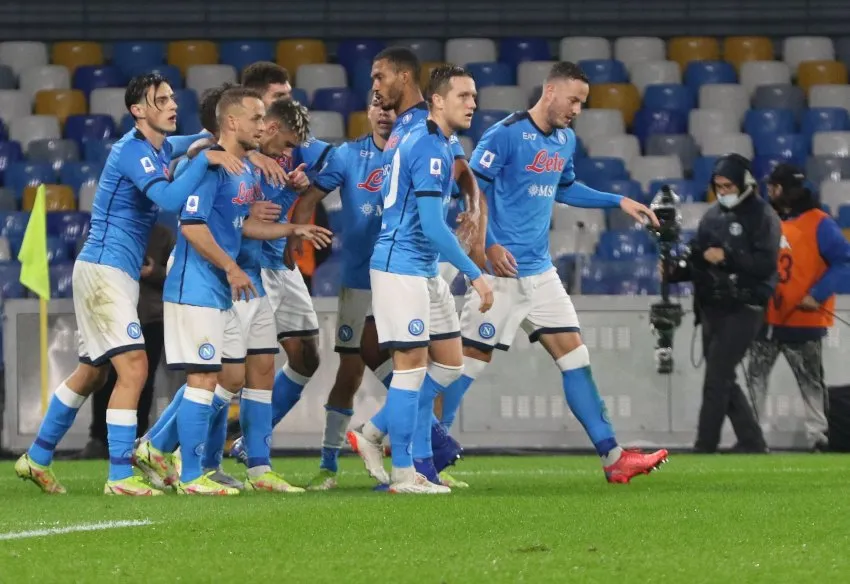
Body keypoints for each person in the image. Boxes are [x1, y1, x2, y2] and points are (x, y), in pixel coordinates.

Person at [14, 73, 242, 495]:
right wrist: (202, 161)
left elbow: (197, 139)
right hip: (104, 270)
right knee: (134, 366)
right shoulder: (132, 151)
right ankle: (120, 476)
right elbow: (171, 200)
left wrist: (227, 130)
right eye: (161, 100)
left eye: (173, 98)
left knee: (93, 374)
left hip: (111, 273)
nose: (172, 105)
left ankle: (37, 457)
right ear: (138, 111)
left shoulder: (158, 147)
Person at [445, 61, 669, 485]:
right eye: (574, 100)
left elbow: (565, 187)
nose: (578, 110)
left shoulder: (565, 140)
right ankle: (411, 445)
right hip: (502, 274)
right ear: (550, 91)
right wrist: (487, 245)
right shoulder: (506, 134)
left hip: (540, 272)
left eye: (583, 103)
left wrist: (618, 201)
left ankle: (613, 457)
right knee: (465, 363)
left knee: (575, 356)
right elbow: (471, 192)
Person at [136, 85, 317, 493]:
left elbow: (241, 223)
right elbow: (193, 225)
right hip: (202, 284)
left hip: (228, 286)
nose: (263, 125)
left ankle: (239, 466)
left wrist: (290, 224)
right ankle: (179, 461)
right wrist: (233, 266)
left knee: (232, 375)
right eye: (256, 118)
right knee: (208, 377)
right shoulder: (209, 165)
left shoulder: (245, 168)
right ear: (233, 122)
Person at [344, 65, 493, 494]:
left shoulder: (436, 141)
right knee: (410, 371)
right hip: (400, 268)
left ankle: (373, 432)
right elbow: (430, 225)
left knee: (448, 365)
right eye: (463, 96)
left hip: (422, 270)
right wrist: (475, 275)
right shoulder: (429, 146)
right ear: (438, 101)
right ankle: (404, 475)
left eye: (474, 96)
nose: (472, 103)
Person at [284, 92, 395, 490]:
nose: (385, 114)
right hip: (360, 280)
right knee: (351, 370)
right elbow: (310, 198)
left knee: (415, 368)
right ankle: (329, 464)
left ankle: (418, 459)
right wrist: (293, 240)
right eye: (377, 107)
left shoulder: (412, 152)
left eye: (392, 107)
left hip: (403, 278)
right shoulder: (348, 156)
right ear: (367, 112)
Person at [667, 154, 780, 454]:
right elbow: (697, 257)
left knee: (716, 378)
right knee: (724, 378)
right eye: (718, 186)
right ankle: (752, 441)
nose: (723, 192)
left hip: (745, 306)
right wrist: (676, 271)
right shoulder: (712, 216)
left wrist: (728, 258)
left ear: (744, 184)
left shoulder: (764, 217)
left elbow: (766, 263)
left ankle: (705, 445)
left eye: (728, 186)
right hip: (711, 306)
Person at [747, 164, 850, 451]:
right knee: (755, 379)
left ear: (785, 189)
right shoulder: (765, 220)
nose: (770, 192)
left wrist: (818, 293)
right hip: (766, 318)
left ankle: (818, 439)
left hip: (804, 320)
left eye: (774, 187)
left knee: (810, 384)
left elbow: (845, 261)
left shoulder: (820, 223)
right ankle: (753, 438)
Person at [76, 223, 175, 460]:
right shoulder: (107, 227)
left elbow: (175, 272)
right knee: (102, 376)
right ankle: (99, 438)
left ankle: (136, 438)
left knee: (143, 380)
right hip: (114, 315)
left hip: (150, 317)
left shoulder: (163, 234)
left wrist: (154, 273)